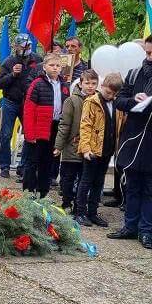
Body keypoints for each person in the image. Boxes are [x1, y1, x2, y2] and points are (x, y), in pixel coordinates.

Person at [109, 36, 152, 248]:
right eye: (146, 53)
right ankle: (130, 226)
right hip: (134, 138)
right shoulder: (134, 74)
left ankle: (146, 230)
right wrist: (133, 100)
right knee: (132, 185)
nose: (148, 57)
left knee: (149, 188)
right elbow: (119, 100)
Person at [75, 73, 123, 227]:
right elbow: (85, 126)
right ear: (102, 86)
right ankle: (80, 212)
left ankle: (93, 212)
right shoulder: (91, 102)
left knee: (99, 182)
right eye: (108, 92)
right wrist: (86, 148)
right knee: (86, 181)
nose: (111, 96)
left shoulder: (116, 104)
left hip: (107, 149)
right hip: (92, 150)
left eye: (114, 94)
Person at [22, 53, 70, 198]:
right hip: (39, 128)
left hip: (55, 127)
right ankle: (29, 191)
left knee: (48, 162)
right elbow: (29, 110)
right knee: (33, 161)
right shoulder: (37, 84)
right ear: (44, 67)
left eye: (57, 66)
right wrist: (29, 134)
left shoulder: (64, 86)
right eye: (52, 65)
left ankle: (43, 192)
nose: (55, 68)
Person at [0, 33, 42, 178]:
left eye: (28, 46)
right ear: (16, 47)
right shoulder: (8, 61)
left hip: (28, 103)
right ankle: (4, 166)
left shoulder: (37, 59)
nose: (26, 49)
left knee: (29, 135)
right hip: (10, 101)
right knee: (6, 135)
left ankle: (23, 166)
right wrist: (12, 75)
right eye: (23, 46)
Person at [54, 69, 99, 213]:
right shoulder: (72, 100)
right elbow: (64, 124)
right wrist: (59, 146)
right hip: (72, 145)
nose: (90, 86)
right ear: (80, 84)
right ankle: (66, 202)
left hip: (89, 148)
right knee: (68, 177)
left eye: (93, 83)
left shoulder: (98, 100)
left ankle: (79, 207)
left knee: (84, 179)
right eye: (87, 83)